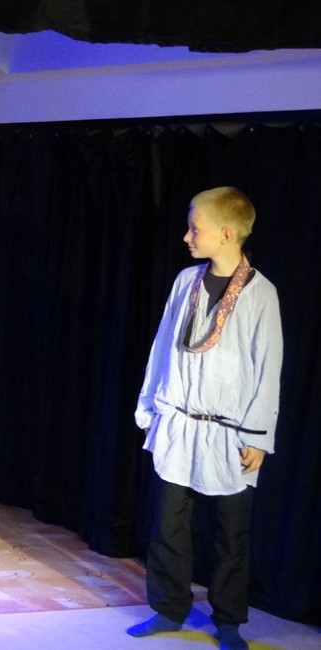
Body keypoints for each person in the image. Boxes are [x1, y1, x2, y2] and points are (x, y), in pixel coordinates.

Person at [129, 187, 282, 650]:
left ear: (226, 233)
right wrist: (150, 406)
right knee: (169, 523)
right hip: (179, 422)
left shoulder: (260, 293)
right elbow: (163, 345)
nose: (187, 236)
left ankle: (229, 620)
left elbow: (268, 367)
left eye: (195, 229)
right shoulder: (186, 282)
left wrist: (258, 436)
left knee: (231, 532)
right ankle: (168, 608)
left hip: (229, 431)